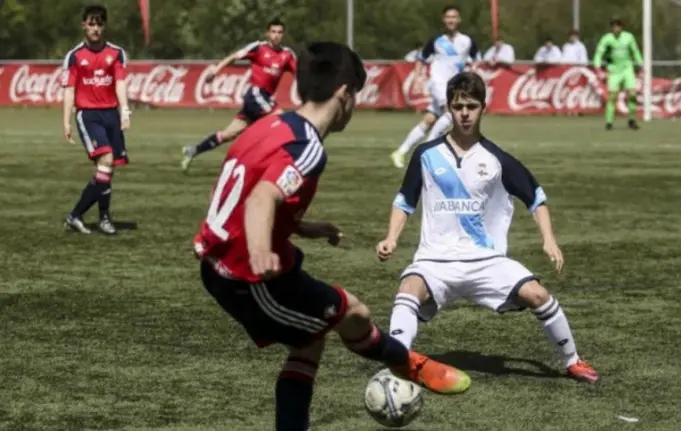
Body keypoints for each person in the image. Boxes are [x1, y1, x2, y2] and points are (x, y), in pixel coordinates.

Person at [193, 41, 471, 431]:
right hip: (246, 276)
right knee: (348, 315)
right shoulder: (307, 146)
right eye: (356, 96)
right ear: (344, 94)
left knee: (315, 336)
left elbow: (225, 190)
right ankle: (408, 364)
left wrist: (304, 227)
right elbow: (259, 198)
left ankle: (405, 363)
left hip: (230, 260)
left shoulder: (269, 124)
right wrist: (259, 251)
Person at [376, 71, 599, 383]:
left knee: (538, 295)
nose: (464, 113)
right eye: (458, 106)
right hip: (435, 260)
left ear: (483, 108)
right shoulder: (425, 155)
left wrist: (548, 239)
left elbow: (536, 197)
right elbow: (404, 201)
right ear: (448, 109)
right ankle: (397, 363)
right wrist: (391, 238)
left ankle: (572, 360)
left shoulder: (497, 159)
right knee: (408, 289)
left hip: (486, 261)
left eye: (471, 106)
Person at [181, 18, 297, 171]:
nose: (276, 35)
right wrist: (216, 69)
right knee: (280, 120)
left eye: (279, 32)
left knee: (228, 134)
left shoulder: (287, 55)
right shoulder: (259, 48)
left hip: (265, 99)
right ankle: (284, 165)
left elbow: (300, 73)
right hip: (255, 94)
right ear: (267, 33)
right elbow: (234, 56)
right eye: (273, 32)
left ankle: (193, 151)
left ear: (283, 35)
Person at [62, 4, 130, 235]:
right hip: (88, 115)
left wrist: (125, 111)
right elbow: (69, 89)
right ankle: (76, 214)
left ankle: (103, 218)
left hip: (110, 113)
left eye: (99, 23)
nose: (95, 28)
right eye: (91, 23)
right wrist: (66, 121)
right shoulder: (75, 56)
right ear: (84, 25)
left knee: (106, 170)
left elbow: (120, 83)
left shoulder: (117, 53)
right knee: (107, 160)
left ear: (105, 26)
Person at [389, 4, 480, 169]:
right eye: (448, 17)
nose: (451, 20)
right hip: (438, 83)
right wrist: (417, 78)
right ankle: (428, 151)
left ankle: (400, 151)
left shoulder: (467, 41)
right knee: (452, 113)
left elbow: (475, 59)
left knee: (429, 120)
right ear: (443, 20)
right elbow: (421, 58)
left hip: (455, 86)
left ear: (459, 20)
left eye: (454, 17)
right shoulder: (436, 41)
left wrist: (472, 73)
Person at [593, 17, 643, 130]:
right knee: (612, 97)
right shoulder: (607, 39)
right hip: (614, 70)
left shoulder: (628, 37)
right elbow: (599, 53)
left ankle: (632, 120)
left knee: (632, 94)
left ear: (621, 27)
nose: (616, 28)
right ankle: (609, 122)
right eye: (614, 26)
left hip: (627, 68)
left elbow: (635, 51)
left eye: (618, 26)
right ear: (611, 28)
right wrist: (597, 68)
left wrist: (640, 64)